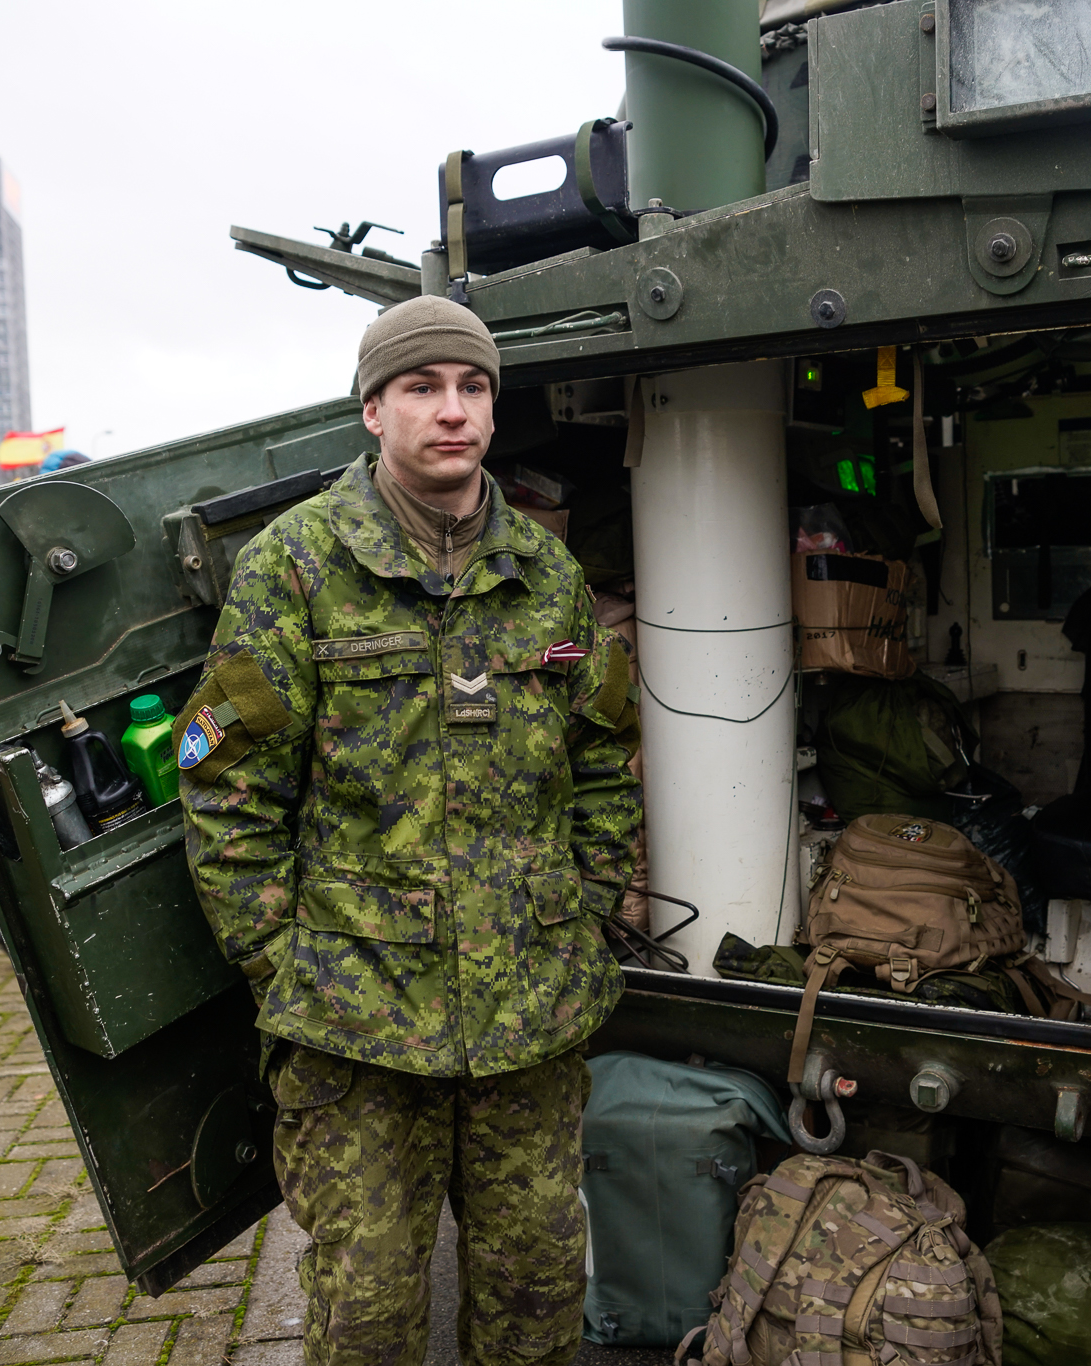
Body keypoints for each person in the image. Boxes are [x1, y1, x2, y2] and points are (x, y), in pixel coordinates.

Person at [179, 295, 640, 1366]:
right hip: (356, 1027)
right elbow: (222, 783)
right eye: (422, 388)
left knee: (534, 1297)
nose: (453, 412)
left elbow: (604, 756)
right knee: (369, 1312)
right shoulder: (294, 567)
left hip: (529, 1011)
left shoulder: (544, 575)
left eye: (472, 387)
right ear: (372, 411)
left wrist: (583, 913)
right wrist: (277, 957)